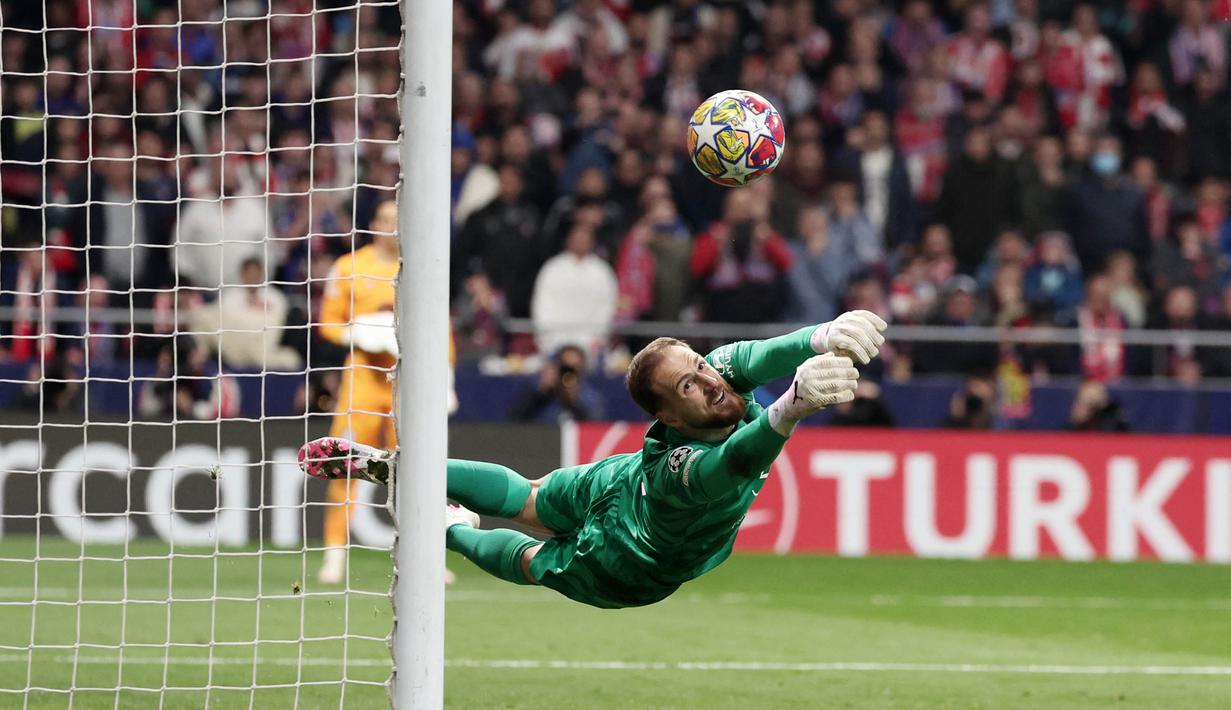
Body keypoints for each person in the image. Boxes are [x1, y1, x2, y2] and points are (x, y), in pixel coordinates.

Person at [300, 311, 887, 608]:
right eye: (687, 386)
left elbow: (761, 353)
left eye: (701, 368)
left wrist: (823, 335)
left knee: (532, 504)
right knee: (533, 541)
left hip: (637, 531)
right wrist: (790, 406)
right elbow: (733, 460)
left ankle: (445, 522)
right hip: (622, 554)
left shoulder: (718, 378)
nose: (708, 382)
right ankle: (417, 488)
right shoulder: (682, 471)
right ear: (671, 421)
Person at [315, 199, 458, 584]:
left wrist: (447, 381)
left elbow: (440, 329)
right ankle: (334, 556)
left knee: (416, 472)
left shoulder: (422, 267)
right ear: (373, 223)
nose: (390, 226)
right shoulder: (348, 267)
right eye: (384, 219)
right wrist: (361, 331)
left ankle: (427, 556)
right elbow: (327, 326)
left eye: (397, 220)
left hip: (407, 384)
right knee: (344, 467)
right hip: (360, 383)